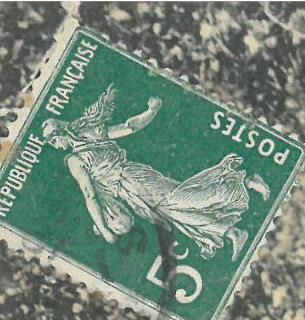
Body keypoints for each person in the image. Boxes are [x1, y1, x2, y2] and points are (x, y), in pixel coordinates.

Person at [41, 87, 271, 260]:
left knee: (179, 200)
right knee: (175, 212)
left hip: (134, 180)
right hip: (132, 190)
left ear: (62, 133)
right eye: (49, 142)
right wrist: (151, 110)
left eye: (52, 139)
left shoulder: (75, 158)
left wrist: (104, 230)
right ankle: (232, 233)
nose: (53, 144)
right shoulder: (90, 138)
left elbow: (89, 194)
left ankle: (246, 181)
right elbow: (129, 127)